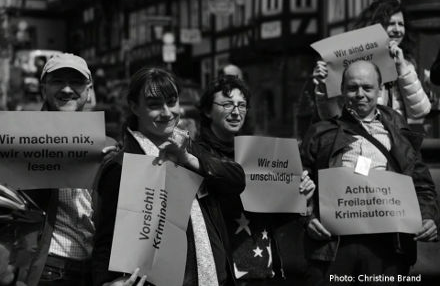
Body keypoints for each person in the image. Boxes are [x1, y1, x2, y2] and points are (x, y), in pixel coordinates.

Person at [92, 67, 246, 286]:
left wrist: (188, 159)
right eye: (155, 105)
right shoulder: (122, 166)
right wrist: (107, 282)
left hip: (211, 277)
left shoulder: (187, 146)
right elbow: (105, 240)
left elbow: (237, 179)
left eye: (172, 102)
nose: (167, 112)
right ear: (134, 107)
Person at [300, 60, 439, 285]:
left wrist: (428, 217)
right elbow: (297, 183)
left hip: (388, 247)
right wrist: (308, 218)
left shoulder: (400, 134)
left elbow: (423, 186)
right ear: (343, 90)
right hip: (334, 246)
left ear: (380, 89)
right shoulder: (320, 132)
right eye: (353, 88)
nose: (360, 94)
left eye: (367, 87)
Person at [198, 75, 315, 283]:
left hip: (264, 270)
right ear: (208, 111)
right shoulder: (197, 157)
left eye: (241, 105)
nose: (236, 112)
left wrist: (300, 197)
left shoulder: (260, 152)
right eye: (227, 104)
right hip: (223, 273)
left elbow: (276, 214)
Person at [21, 53, 102, 286]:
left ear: (88, 90)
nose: (67, 89)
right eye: (58, 81)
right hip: (48, 267)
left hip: (93, 269)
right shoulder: (22, 140)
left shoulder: (106, 145)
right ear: (43, 87)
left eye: (75, 82)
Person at [312, 0, 431, 127]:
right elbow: (330, 116)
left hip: (395, 142)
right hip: (359, 141)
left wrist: (402, 68)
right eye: (391, 23)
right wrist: (324, 87)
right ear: (375, 26)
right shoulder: (354, 65)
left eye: (401, 24)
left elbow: (420, 111)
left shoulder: (405, 64)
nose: (397, 30)